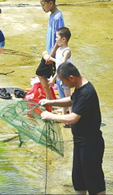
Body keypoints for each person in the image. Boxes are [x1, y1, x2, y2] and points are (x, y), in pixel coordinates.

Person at [40, 62, 106, 195]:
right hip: (80, 142)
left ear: (71, 77)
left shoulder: (87, 92)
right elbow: (72, 99)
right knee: (79, 180)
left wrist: (51, 116)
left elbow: (73, 118)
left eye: (63, 81)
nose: (63, 85)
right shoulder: (80, 88)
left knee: (94, 182)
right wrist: (51, 101)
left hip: (90, 144)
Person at [36, 0, 65, 100]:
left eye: (43, 5)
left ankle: (60, 103)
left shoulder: (58, 17)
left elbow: (60, 39)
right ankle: (50, 99)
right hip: (50, 53)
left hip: (54, 54)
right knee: (41, 73)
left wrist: (51, 55)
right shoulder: (53, 15)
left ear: (51, 3)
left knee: (59, 80)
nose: (42, 7)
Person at [48, 27, 72, 127]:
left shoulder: (66, 51)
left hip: (65, 78)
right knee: (62, 98)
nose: (55, 39)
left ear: (63, 39)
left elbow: (62, 65)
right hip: (59, 77)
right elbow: (58, 64)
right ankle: (63, 117)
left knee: (68, 99)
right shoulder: (59, 49)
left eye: (57, 37)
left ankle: (71, 117)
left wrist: (53, 78)